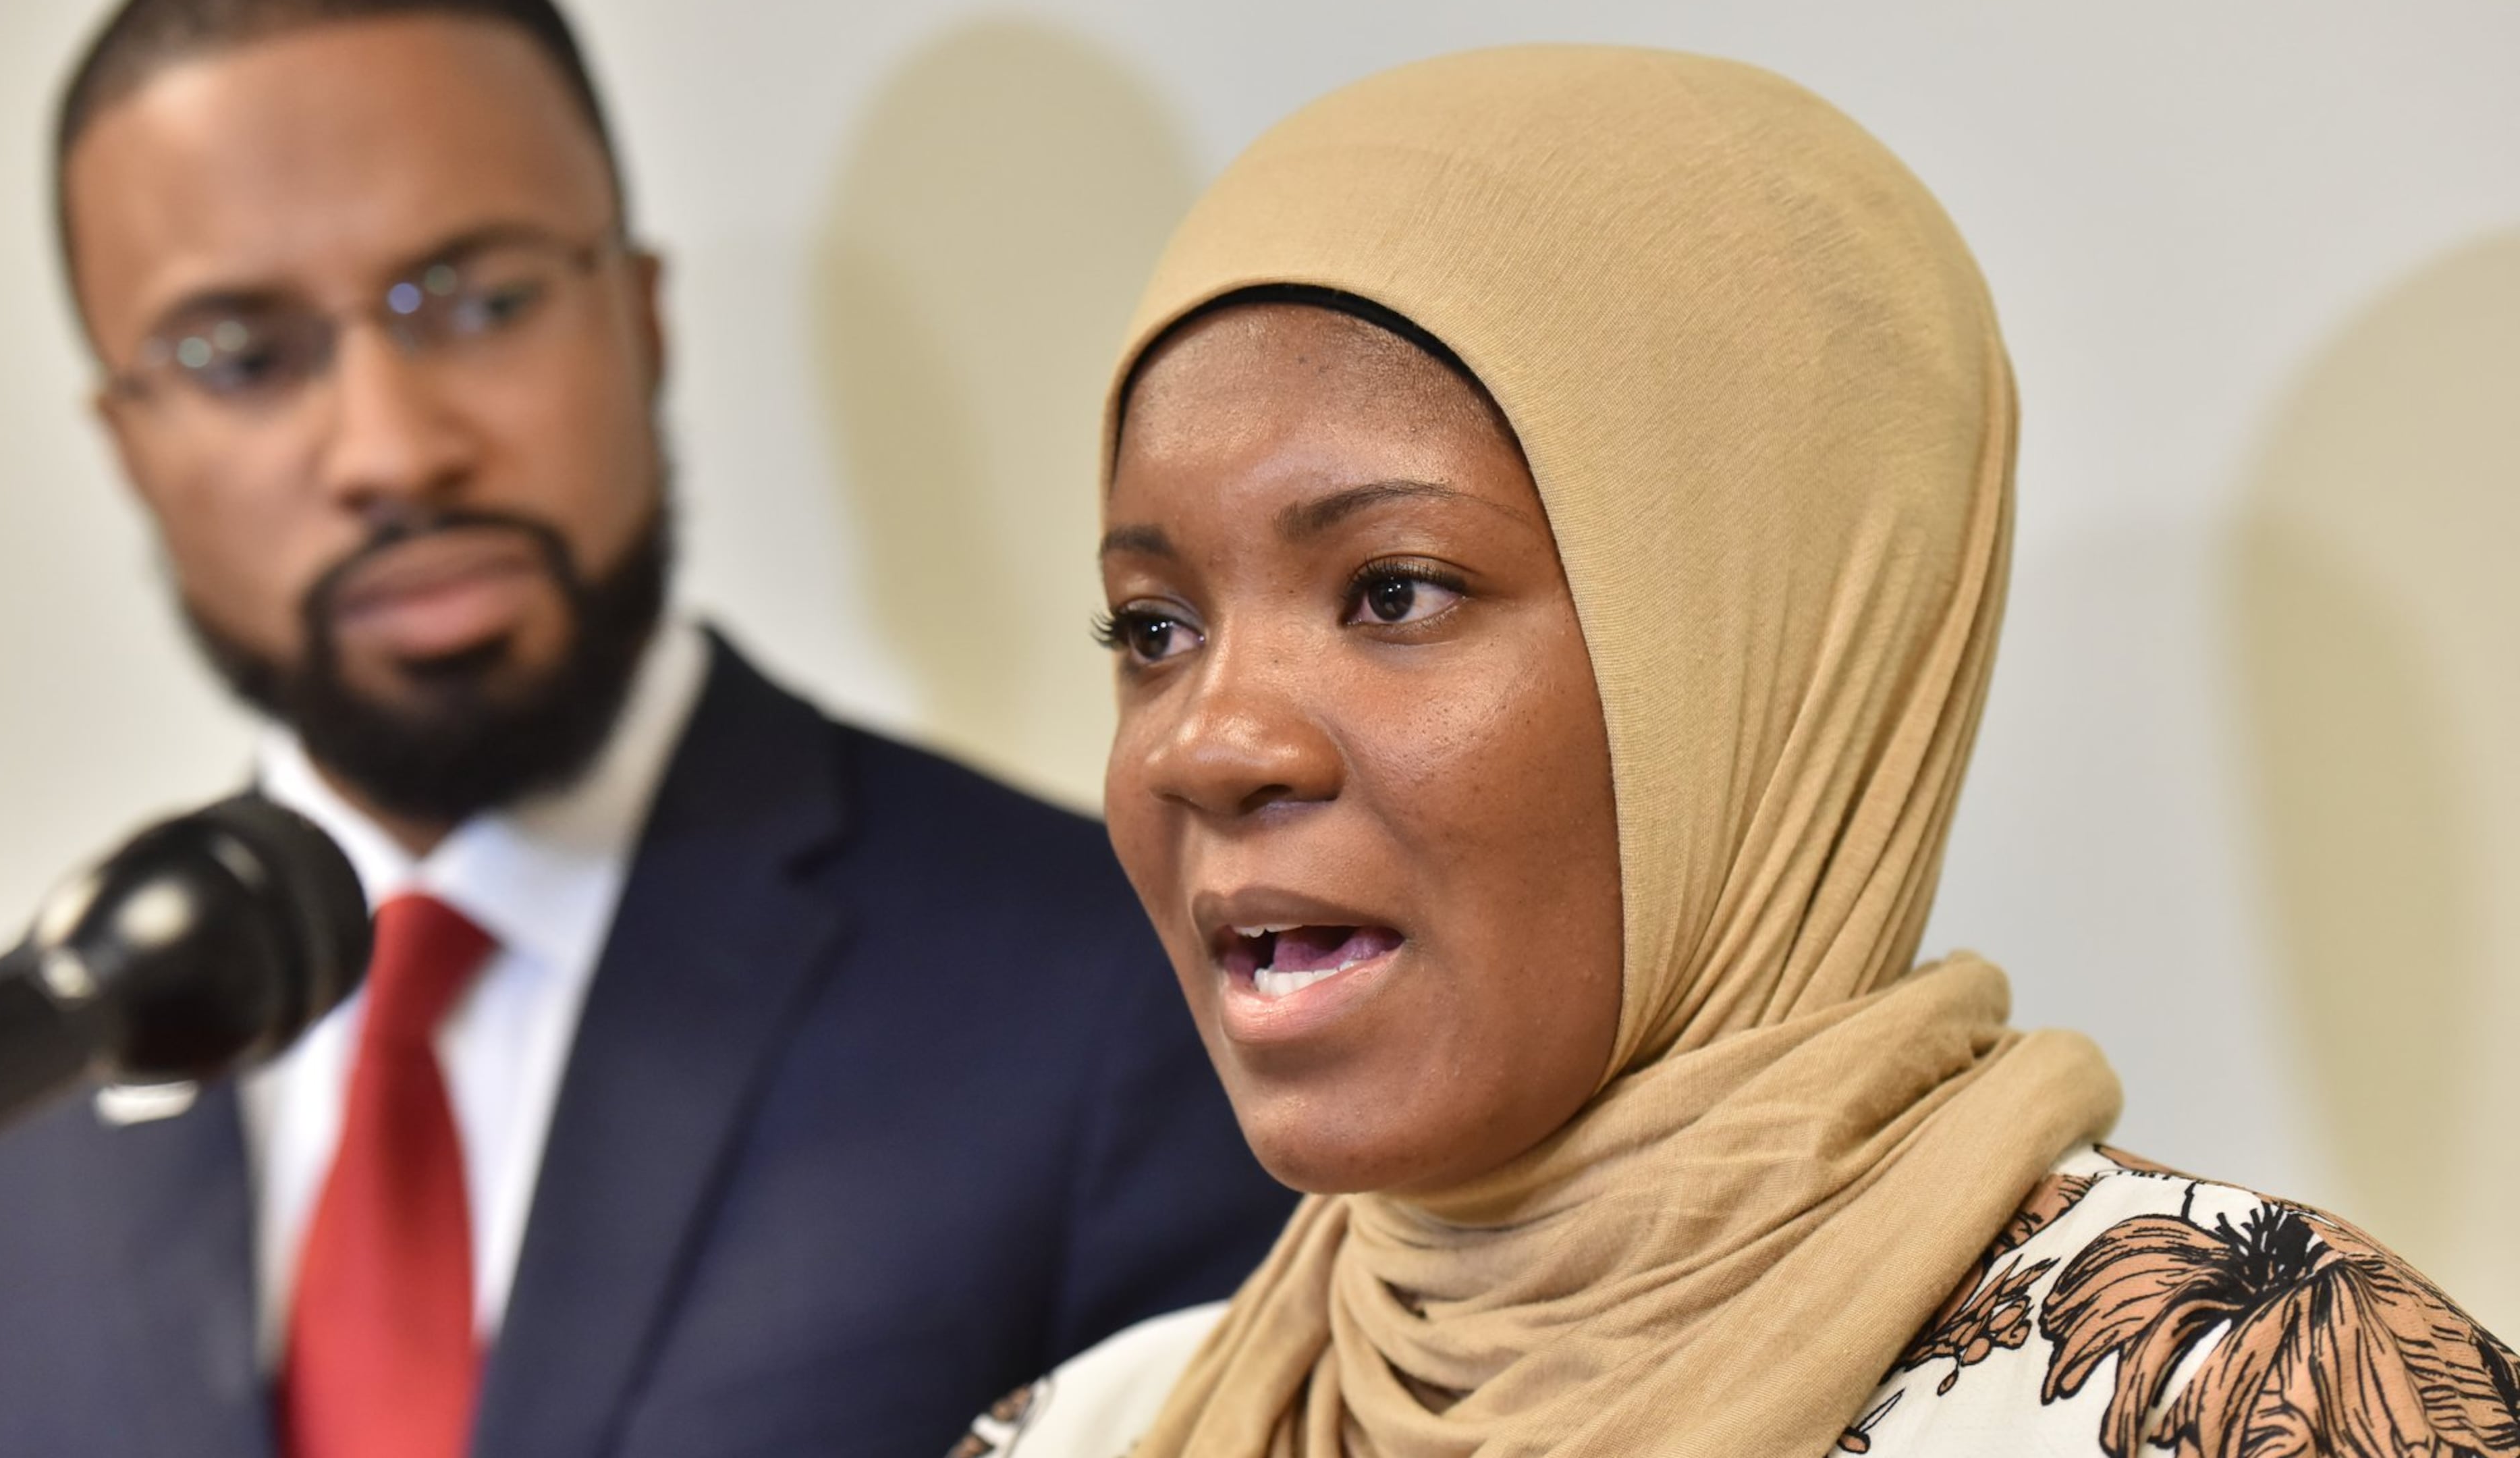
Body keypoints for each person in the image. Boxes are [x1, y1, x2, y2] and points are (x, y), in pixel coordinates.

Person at [953, 45, 2520, 1458]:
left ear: (1767, 664)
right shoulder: (1088, 1431)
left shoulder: (2265, 1403)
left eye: (1396, 592)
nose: (1208, 743)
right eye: (1153, 628)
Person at [0, 3, 1294, 1456]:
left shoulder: (1125, 995)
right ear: (128, 444)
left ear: (641, 318)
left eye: (480, 301)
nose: (394, 450)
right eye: (242, 357)